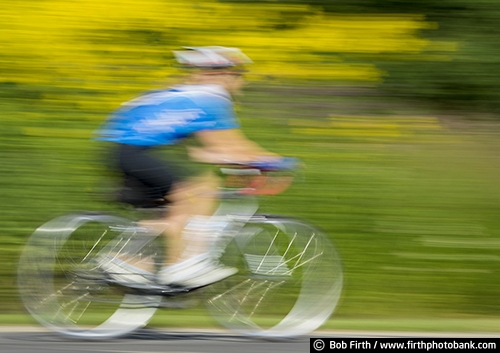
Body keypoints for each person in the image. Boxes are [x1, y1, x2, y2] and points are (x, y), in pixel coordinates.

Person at [95, 46, 281, 288]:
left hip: (121, 150)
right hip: (133, 151)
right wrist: (274, 161)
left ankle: (124, 261)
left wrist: (240, 160)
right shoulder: (211, 96)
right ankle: (180, 268)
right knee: (198, 192)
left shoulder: (186, 95)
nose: (241, 82)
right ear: (223, 74)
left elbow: (202, 151)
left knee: (176, 212)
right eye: (239, 75)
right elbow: (230, 145)